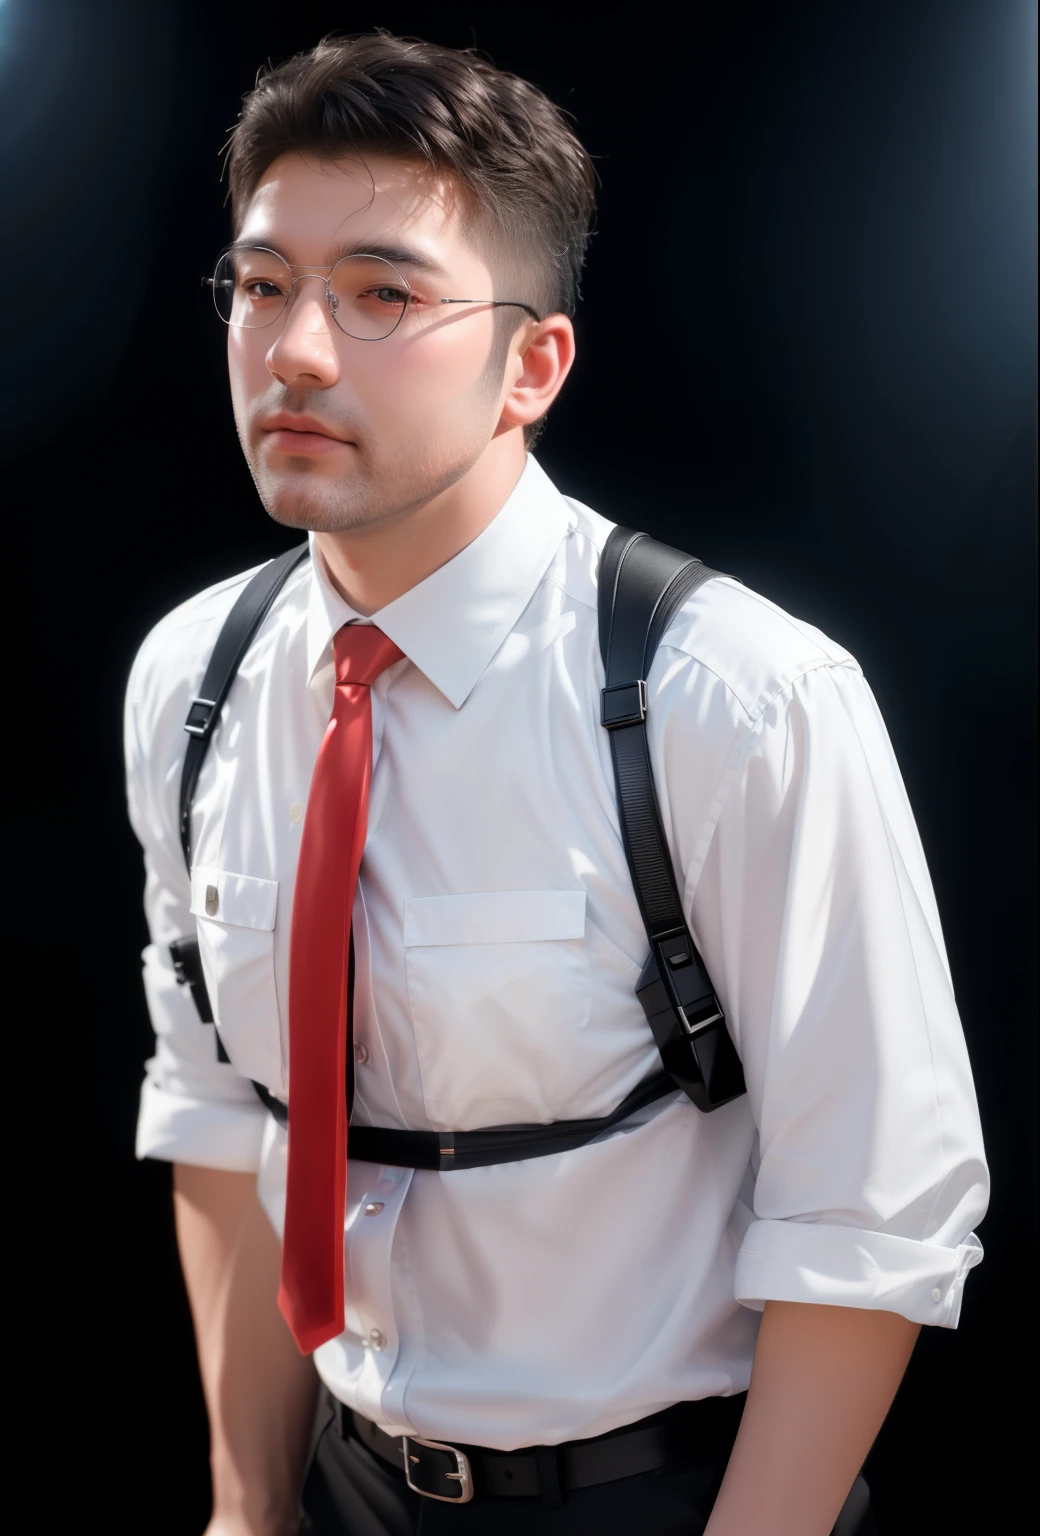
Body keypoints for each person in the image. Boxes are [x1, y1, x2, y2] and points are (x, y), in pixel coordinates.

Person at [124, 31, 989, 1536]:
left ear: (534, 362)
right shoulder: (193, 680)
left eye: (384, 294)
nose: (298, 351)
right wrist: (245, 1504)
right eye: (263, 286)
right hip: (336, 1484)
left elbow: (875, 1211)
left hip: (665, 1498)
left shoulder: (732, 697)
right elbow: (215, 1107)